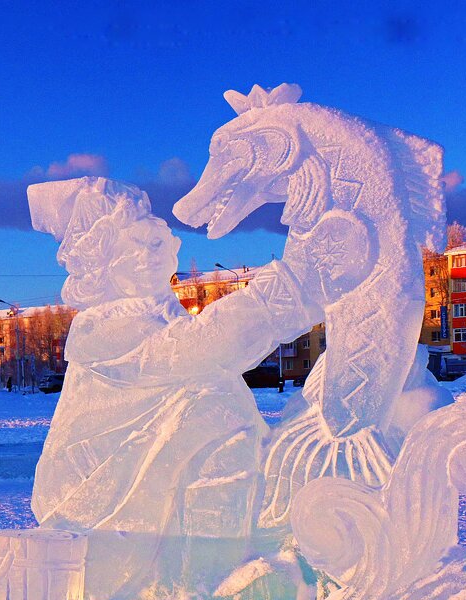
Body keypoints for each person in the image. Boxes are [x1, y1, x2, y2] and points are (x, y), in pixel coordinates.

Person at [27, 177, 363, 552]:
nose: (151, 254)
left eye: (156, 241)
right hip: (96, 496)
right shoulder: (102, 329)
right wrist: (291, 288)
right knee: (210, 410)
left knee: (219, 409)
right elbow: (200, 348)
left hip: (158, 479)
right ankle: (207, 572)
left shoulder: (161, 313)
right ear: (100, 266)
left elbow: (217, 351)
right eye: (133, 248)